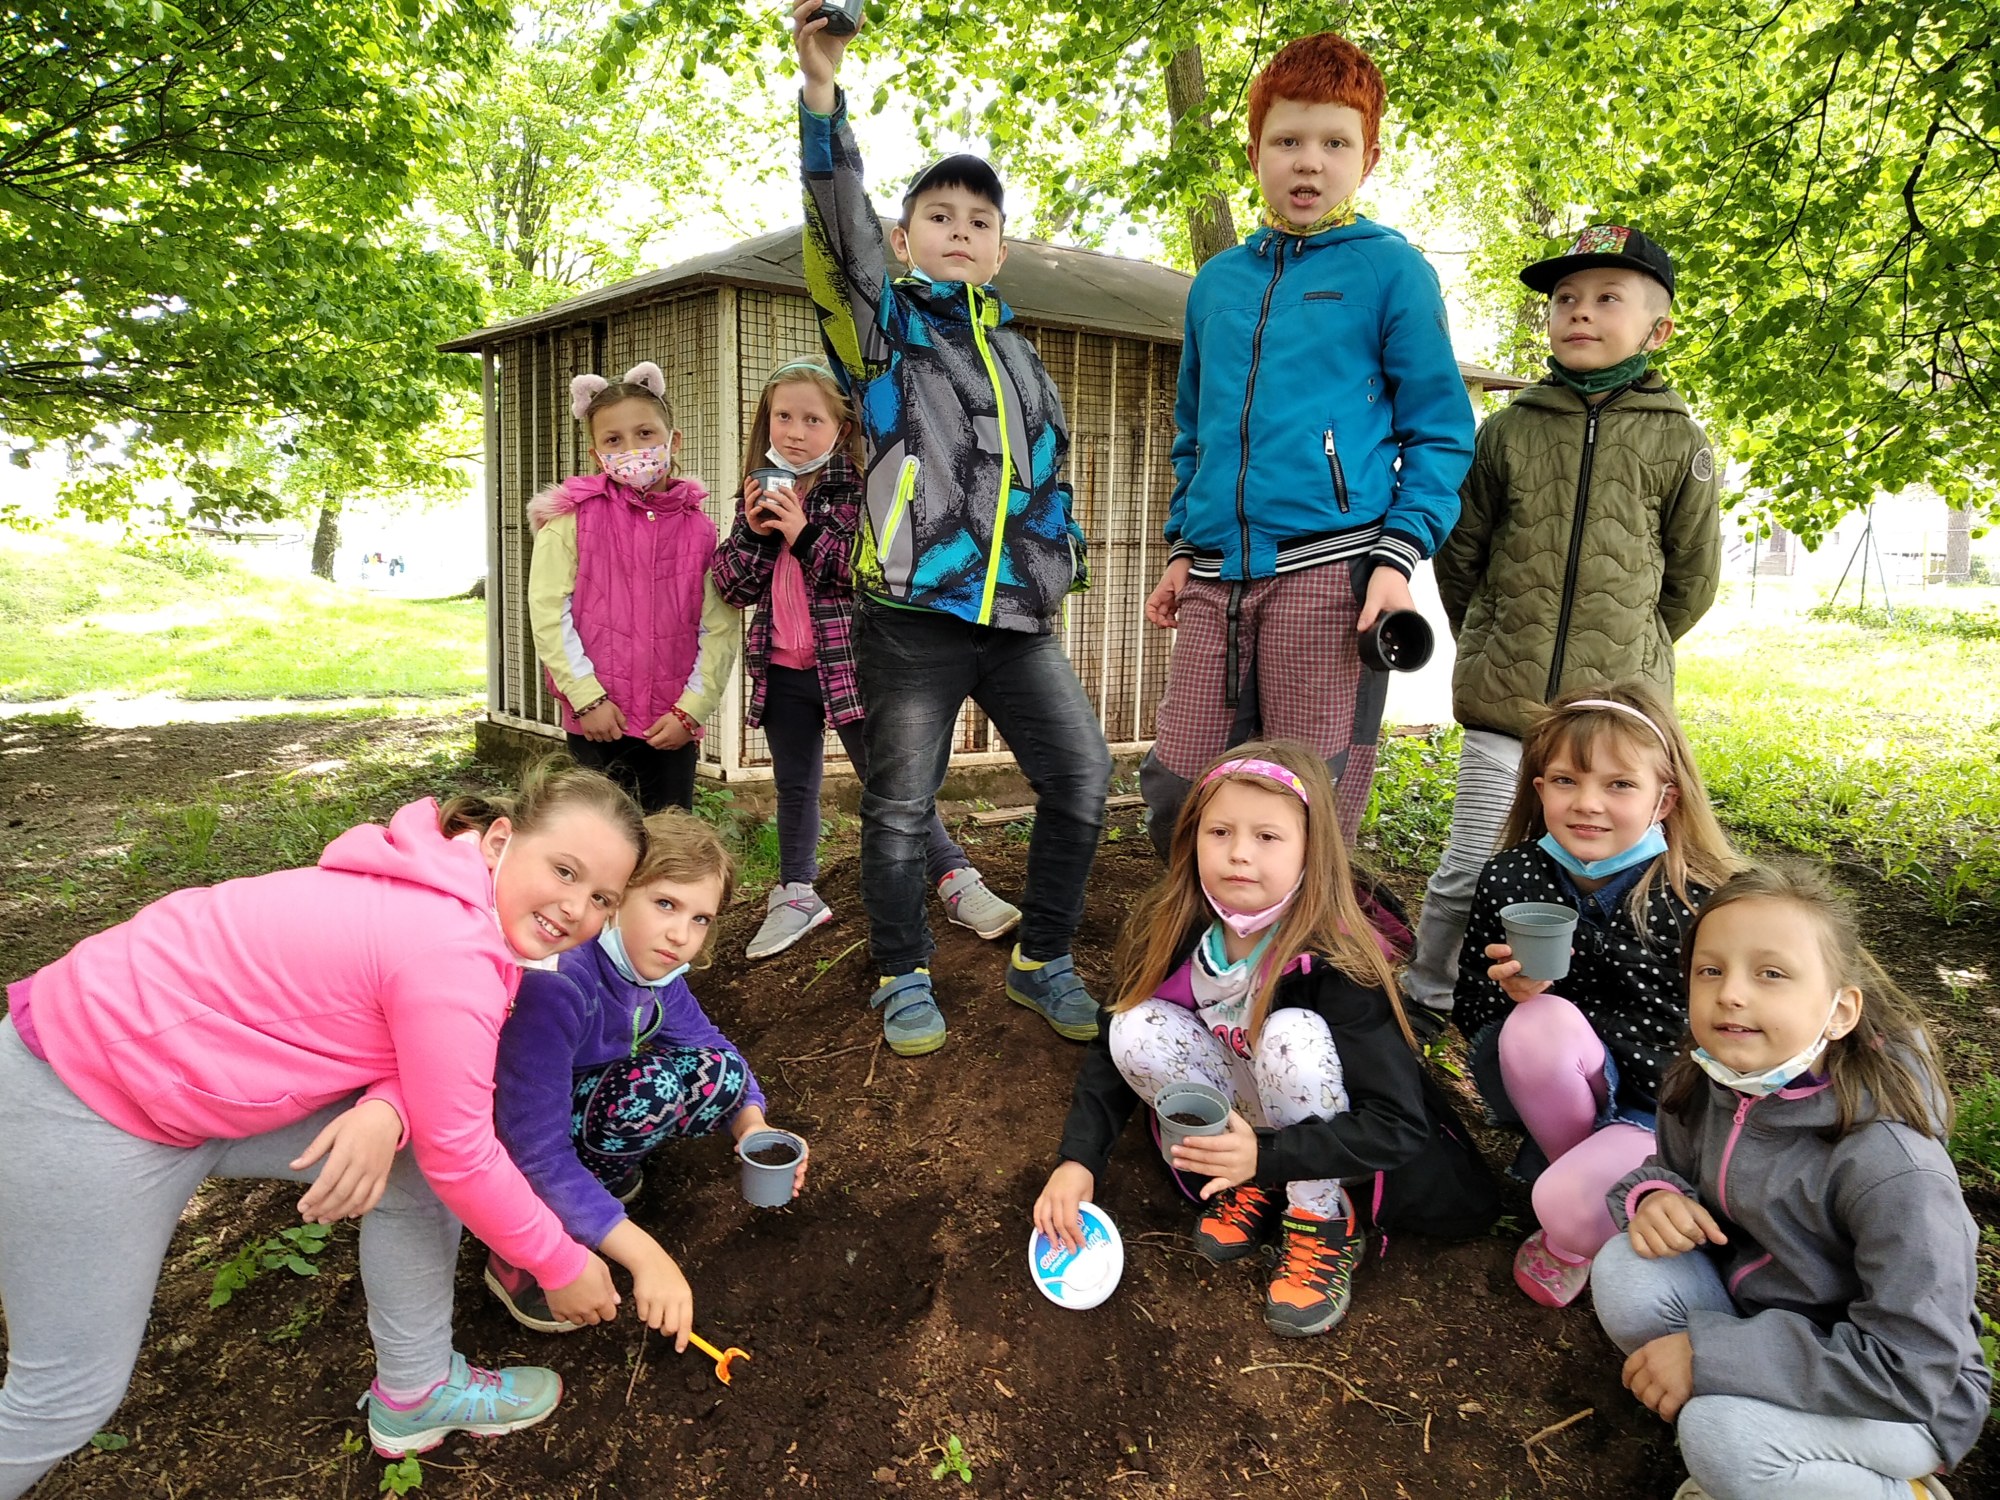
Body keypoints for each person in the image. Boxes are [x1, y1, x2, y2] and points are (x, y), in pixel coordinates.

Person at [0, 760, 646, 1492]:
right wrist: (560, 1263)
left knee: (408, 1164)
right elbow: (461, 1152)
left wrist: (386, 1106)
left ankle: (416, 1391)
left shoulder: (455, 892)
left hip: (187, 1072)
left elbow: (397, 1016)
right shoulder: (453, 946)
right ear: (501, 840)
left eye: (601, 897)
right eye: (564, 870)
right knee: (63, 1397)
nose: (576, 906)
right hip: (80, 1091)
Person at [793, 2, 1109, 1057]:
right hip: (913, 617)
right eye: (939, 214)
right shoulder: (880, 331)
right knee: (898, 806)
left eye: (979, 218)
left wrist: (1053, 570)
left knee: (1080, 780)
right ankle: (901, 973)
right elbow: (837, 235)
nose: (961, 228)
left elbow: (1046, 474)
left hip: (1015, 619)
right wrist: (823, 98)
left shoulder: (1021, 354)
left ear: (1000, 247)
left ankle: (1042, 959)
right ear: (903, 239)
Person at [1138, 31, 1475, 852]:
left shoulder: (1393, 271)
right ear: (1255, 151)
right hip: (1216, 580)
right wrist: (1183, 545)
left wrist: (1396, 562)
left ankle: (1306, 935)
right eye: (1288, 141)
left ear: (1369, 158)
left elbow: (1440, 433)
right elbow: (1196, 432)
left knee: (1307, 798)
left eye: (1335, 143)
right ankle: (1204, 930)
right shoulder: (1217, 283)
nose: (1309, 163)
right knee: (1181, 789)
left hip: (1333, 577)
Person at [1035, 741, 1497, 1339]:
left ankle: (1319, 1217)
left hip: (1333, 1135)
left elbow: (1398, 1124)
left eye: (1268, 837)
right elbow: (1107, 1052)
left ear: (1313, 850)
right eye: (1219, 831)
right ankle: (1248, 1182)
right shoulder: (1177, 929)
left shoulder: (1337, 960)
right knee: (1132, 1025)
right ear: (1191, 838)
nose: (1239, 854)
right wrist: (1078, 1161)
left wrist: (1270, 1155)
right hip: (1249, 1115)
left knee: (1290, 1036)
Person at [1406, 224, 1722, 1025]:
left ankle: (1580, 1013)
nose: (1579, 311)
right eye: (1565, 299)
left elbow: (1691, 580)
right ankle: (1430, 994)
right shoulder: (1507, 430)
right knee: (1472, 864)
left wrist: (1631, 648)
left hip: (1613, 717)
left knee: (1604, 876)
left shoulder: (1679, 440)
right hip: (1504, 702)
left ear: (1658, 329)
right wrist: (1494, 634)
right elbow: (1461, 557)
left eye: (1607, 298)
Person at [1595, 864, 1989, 1500]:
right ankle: (1761, 1457)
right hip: (1767, 1325)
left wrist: (1710, 1356)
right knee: (1625, 1268)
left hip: (1900, 1396)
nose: (1731, 994)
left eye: (1771, 974)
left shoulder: (1894, 1168)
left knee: (1722, 1434)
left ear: (1840, 1012)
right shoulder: (1701, 1082)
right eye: (1710, 970)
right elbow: (1669, 1173)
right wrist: (1656, 1197)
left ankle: (1887, 1488)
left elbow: (1914, 1366)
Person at [709, 359, 1020, 960]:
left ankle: (954, 878)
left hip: (851, 666)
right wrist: (753, 531)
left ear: (843, 429)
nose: (794, 432)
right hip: (782, 667)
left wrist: (801, 532)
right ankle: (797, 892)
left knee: (889, 781)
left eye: (812, 419)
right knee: (794, 785)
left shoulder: (861, 489)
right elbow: (731, 586)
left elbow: (864, 573)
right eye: (783, 417)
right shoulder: (759, 492)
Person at [1453, 684, 1738, 1308]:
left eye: (1620, 785)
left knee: (1559, 1207)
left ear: (1665, 799)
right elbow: (1469, 1007)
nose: (1587, 804)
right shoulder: (1512, 878)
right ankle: (1584, 1167)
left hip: (1661, 1108)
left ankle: (1605, 1194)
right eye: (1565, 781)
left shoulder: (1699, 900)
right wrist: (1513, 995)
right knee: (1537, 1023)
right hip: (1560, 1090)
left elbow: (1722, 1039)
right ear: (1539, 790)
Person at [486, 809, 809, 1339]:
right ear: (617, 897)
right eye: (665, 904)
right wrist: (647, 1255)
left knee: (721, 1074)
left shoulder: (653, 971)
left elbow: (712, 1048)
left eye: (700, 918)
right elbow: (533, 1148)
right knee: (648, 1091)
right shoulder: (560, 983)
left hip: (584, 1103)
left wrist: (753, 1126)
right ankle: (519, 1254)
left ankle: (602, 1175)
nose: (681, 934)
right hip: (515, 1144)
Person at [528, 360, 742, 813]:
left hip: (671, 724)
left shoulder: (700, 530)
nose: (632, 448)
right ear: (597, 455)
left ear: (673, 440)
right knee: (602, 835)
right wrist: (587, 699)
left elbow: (719, 628)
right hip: (598, 721)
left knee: (671, 836)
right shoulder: (570, 521)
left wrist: (691, 710)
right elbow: (549, 613)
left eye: (645, 433)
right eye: (614, 440)